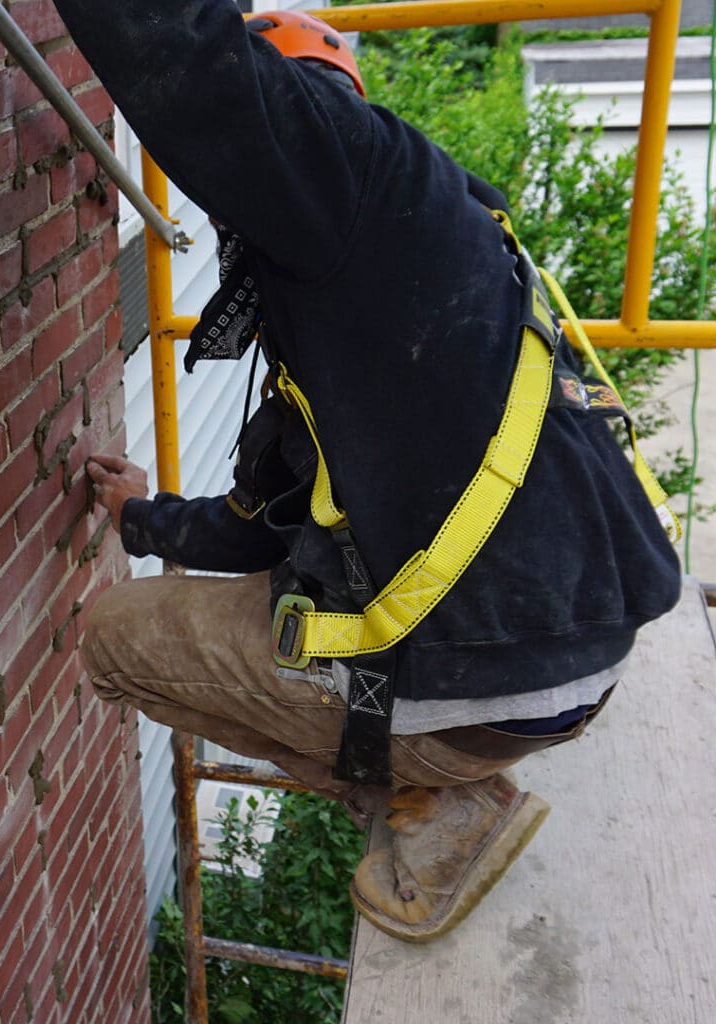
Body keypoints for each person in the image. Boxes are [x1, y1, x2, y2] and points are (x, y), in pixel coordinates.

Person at [52, 2, 682, 942]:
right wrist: (145, 517)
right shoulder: (439, 230)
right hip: (570, 651)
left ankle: (427, 799)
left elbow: (184, 53)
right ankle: (438, 784)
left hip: (486, 677)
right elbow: (261, 521)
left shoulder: (340, 165)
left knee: (110, 640)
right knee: (286, 593)